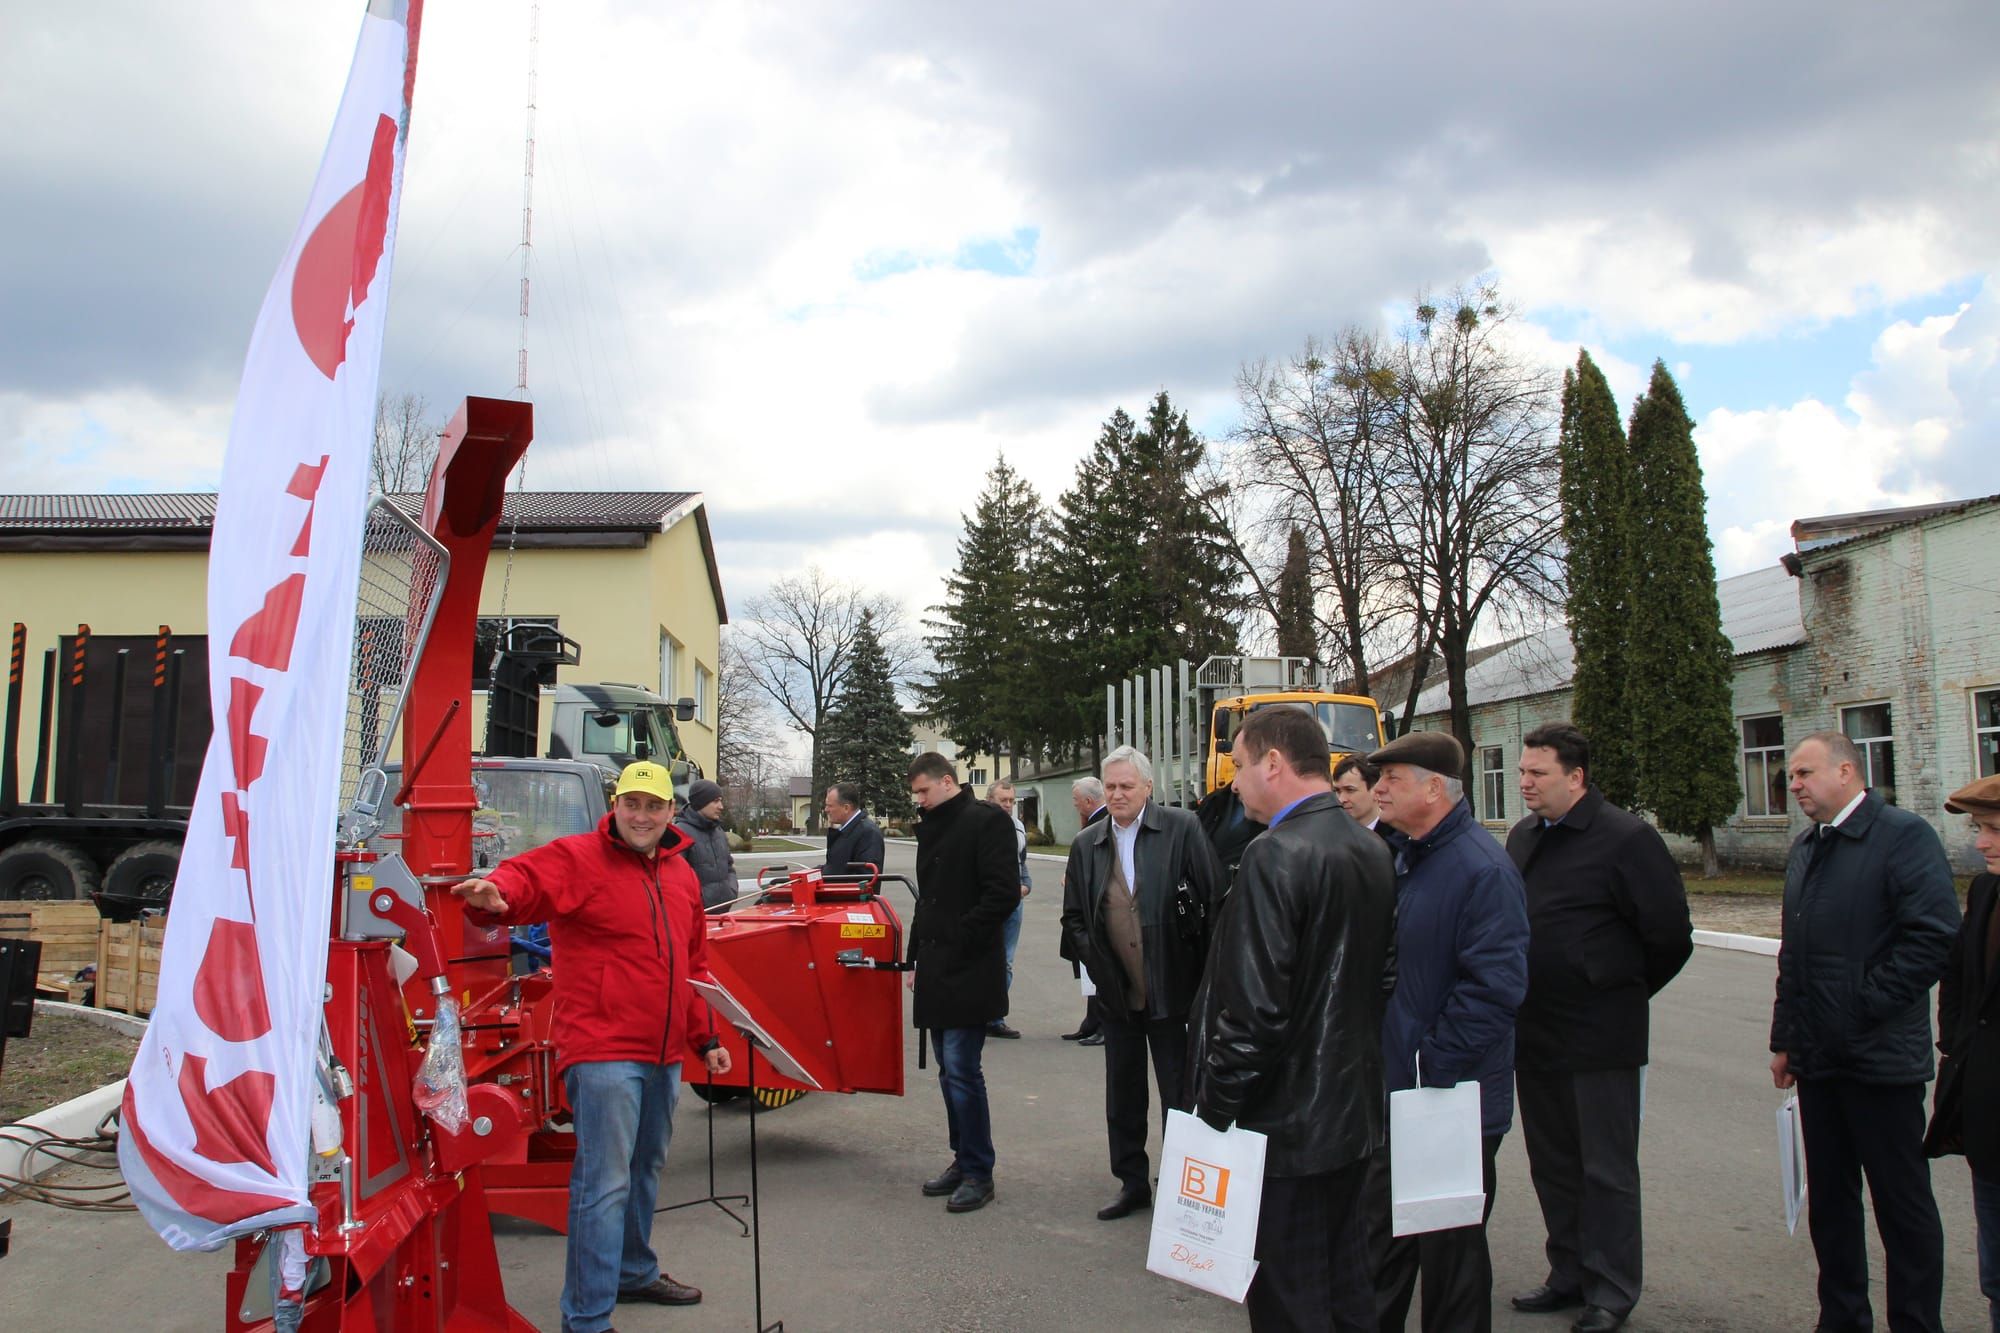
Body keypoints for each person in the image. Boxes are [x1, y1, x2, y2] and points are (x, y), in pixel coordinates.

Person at [449, 761, 730, 1333]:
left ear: (671, 812)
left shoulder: (681, 875)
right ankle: (586, 1318)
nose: (643, 816)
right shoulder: (579, 858)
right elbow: (523, 879)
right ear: (617, 806)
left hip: (664, 1050)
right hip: (604, 1051)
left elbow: (691, 963)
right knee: (603, 1182)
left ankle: (632, 1271)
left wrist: (707, 1036)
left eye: (654, 807)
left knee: (646, 1167)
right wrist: (492, 895)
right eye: (633, 805)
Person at [1189, 706, 1395, 1330]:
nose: (1235, 781)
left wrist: (1215, 1112)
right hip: (1351, 1115)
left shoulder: (1274, 854)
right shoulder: (1370, 848)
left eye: (1243, 765)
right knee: (1346, 1281)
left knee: (1288, 1296)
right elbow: (1379, 980)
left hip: (1285, 1126)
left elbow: (1253, 1013)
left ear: (1274, 763)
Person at [1506, 724, 1693, 1332]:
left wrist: (1611, 987)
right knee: (1552, 1162)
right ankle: (1568, 1273)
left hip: (1599, 1036)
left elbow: (1668, 938)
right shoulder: (1525, 836)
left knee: (1606, 1170)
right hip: (1535, 1031)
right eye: (1523, 771)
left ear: (1577, 777)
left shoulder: (1627, 839)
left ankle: (1612, 1289)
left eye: (1538, 773)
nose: (1525, 783)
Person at [1772, 732, 1960, 1333]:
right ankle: (1843, 1318)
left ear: (1847, 770)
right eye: (1790, 776)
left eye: (1803, 772)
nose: (1793, 784)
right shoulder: (1807, 848)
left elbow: (1932, 936)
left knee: (1901, 1208)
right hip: (1820, 1060)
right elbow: (1794, 956)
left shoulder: (1903, 836)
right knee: (1831, 1204)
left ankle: (1915, 1322)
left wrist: (1861, 1007)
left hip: (1880, 1061)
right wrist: (1786, 1037)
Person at [1364, 730, 1530, 1333]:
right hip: (1403, 1094)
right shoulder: (1405, 853)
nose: (1378, 790)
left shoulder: (1480, 869)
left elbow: (1495, 988)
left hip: (1448, 1103)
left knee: (1450, 1258)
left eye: (1393, 780)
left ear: (1435, 789)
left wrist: (1430, 1066)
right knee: (1384, 1246)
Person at [1062, 746, 1224, 1221]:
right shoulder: (1088, 844)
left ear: (1148, 788)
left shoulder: (1181, 829)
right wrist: (1100, 965)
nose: (1116, 795)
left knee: (1180, 1093)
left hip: (1175, 989)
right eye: (1110, 787)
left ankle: (1180, 1183)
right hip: (1119, 995)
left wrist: (1208, 981)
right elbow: (1074, 918)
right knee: (1124, 1094)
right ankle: (1131, 1182)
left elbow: (1214, 901)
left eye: (1126, 786)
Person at [906, 751, 1021, 1214]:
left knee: (961, 1069)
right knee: (947, 1069)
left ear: (948, 782)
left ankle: (979, 1171)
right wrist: (914, 958)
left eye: (923, 791)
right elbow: (926, 901)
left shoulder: (984, 821)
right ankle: (963, 1158)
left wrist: (957, 940)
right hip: (937, 967)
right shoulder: (935, 825)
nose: (918, 800)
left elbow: (1002, 894)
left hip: (969, 968)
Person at [1925, 773, 2000, 1331]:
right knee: (1996, 1271)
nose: (1981, 842)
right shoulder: (1986, 890)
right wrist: (1955, 1049)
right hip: (1987, 1112)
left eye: (1993, 829)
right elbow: (1957, 976)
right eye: (1979, 828)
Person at [1061, 776, 1111, 1046]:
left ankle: (1101, 1024)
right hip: (1085, 909)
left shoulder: (1100, 824)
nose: (1074, 804)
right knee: (1090, 968)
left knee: (1097, 967)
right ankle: (1091, 1022)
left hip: (1094, 911)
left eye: (1076, 800)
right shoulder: (1094, 823)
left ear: (1089, 801)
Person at [986, 779, 1031, 1039]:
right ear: (990, 799)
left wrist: (1026, 884)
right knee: (984, 960)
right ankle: (977, 1014)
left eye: (1011, 801)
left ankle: (995, 1017)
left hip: (1013, 905)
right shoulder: (979, 826)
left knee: (1007, 963)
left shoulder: (1018, 827)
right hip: (989, 905)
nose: (1007, 805)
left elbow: (1021, 861)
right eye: (1003, 800)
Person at [675, 778, 737, 911]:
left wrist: (731, 891)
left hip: (724, 912)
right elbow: (675, 878)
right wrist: (698, 901)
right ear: (700, 803)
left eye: (720, 800)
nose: (721, 806)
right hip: (696, 915)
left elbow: (729, 866)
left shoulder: (719, 832)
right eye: (715, 801)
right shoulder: (681, 833)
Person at [823, 781, 885, 880]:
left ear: (846, 808)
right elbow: (834, 867)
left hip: (847, 895)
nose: (826, 810)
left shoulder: (868, 833)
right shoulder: (847, 831)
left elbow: (865, 879)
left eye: (830, 806)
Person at [1332, 754, 1385, 835]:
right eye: (1337, 791)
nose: (1341, 799)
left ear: (1376, 791)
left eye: (1350, 790)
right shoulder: (1330, 833)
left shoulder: (1399, 837)